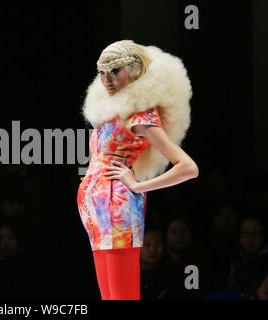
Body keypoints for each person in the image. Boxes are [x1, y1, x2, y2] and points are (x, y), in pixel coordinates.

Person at [77, 40, 198, 300]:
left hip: (118, 207)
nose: (106, 79)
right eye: (102, 72)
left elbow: (189, 167)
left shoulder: (140, 115)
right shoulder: (112, 112)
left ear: (134, 70)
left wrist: (138, 185)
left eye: (115, 70)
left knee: (123, 296)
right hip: (96, 211)